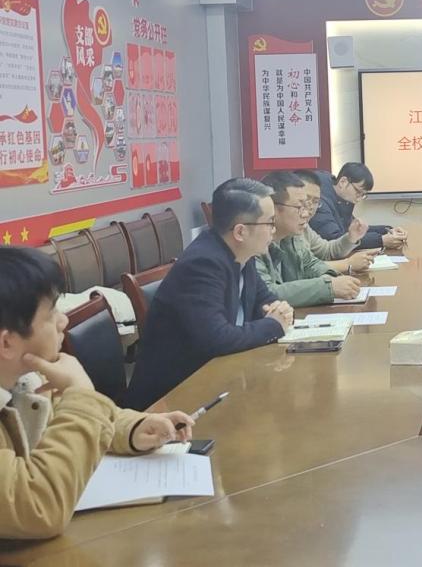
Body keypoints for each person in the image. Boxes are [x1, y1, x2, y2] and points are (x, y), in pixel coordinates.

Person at [0, 247, 193, 539]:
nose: (64, 321)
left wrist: (133, 428)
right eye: (51, 314)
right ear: (6, 343)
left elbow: (67, 417)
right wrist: (81, 394)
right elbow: (38, 507)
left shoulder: (27, 376)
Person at [124, 178, 294, 410]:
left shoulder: (243, 254)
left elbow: (265, 301)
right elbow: (217, 339)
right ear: (241, 231)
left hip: (221, 380)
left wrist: (279, 310)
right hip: (174, 399)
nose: (274, 230)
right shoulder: (203, 264)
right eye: (270, 223)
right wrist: (274, 325)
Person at [254, 171, 362, 307]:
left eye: (314, 202)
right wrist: (328, 287)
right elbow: (267, 294)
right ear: (272, 208)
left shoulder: (291, 235)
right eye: (299, 207)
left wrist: (331, 279)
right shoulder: (253, 242)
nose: (306, 213)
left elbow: (310, 264)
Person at [292, 169, 376, 274]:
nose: (310, 209)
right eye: (305, 200)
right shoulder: (278, 234)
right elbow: (302, 269)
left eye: (315, 202)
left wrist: (351, 238)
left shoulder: (304, 227)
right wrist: (348, 264)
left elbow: (327, 251)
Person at [308, 163, 407, 250]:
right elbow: (335, 239)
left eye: (363, 195)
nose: (359, 199)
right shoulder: (318, 202)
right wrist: (381, 240)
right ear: (343, 182)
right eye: (358, 192)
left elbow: (353, 229)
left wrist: (386, 230)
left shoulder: (343, 198)